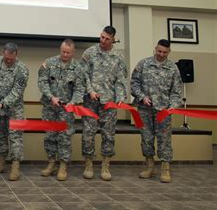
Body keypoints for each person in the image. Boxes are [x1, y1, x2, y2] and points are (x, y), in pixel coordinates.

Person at [131, 39, 183, 183]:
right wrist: (142, 97)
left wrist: (173, 105)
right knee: (146, 138)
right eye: (159, 51)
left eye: (164, 52)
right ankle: (149, 167)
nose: (161, 54)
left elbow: (176, 91)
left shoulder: (173, 68)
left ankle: (165, 168)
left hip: (163, 111)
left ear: (169, 52)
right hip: (144, 109)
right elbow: (134, 84)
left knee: (164, 139)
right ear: (155, 49)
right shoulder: (143, 64)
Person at [81, 25, 127, 181]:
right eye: (101, 37)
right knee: (88, 133)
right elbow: (83, 75)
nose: (103, 41)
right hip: (91, 100)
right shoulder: (90, 53)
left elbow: (121, 79)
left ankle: (106, 165)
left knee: (108, 134)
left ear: (113, 39)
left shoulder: (118, 57)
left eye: (107, 39)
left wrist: (120, 96)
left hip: (109, 103)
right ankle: (88, 164)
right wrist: (90, 90)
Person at [38, 39, 84, 181]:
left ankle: (63, 166)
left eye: (68, 52)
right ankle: (51, 163)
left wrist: (72, 102)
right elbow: (42, 81)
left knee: (65, 137)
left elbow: (79, 89)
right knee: (50, 136)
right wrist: (51, 96)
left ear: (73, 52)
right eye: (63, 51)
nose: (65, 54)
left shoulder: (78, 68)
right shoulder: (49, 63)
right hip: (50, 107)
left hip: (66, 109)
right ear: (60, 49)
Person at [0, 43, 29, 181]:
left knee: (15, 137)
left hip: (14, 109)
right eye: (6, 58)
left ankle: (15, 166)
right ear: (2, 53)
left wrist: (4, 103)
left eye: (11, 59)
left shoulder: (22, 69)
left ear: (17, 54)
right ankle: (1, 162)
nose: (8, 61)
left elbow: (17, 91)